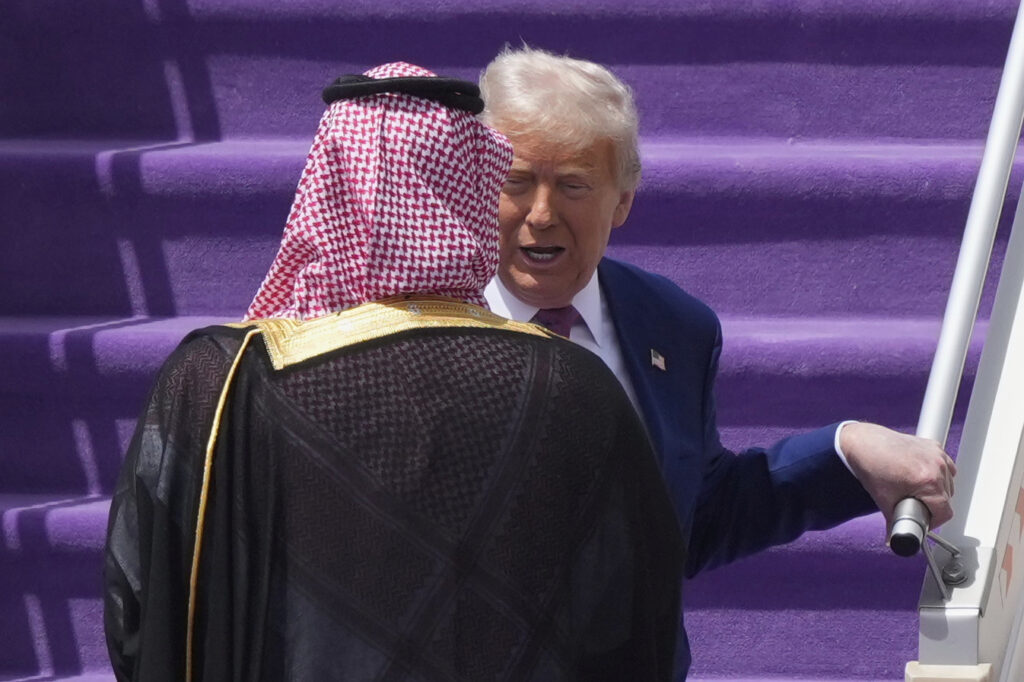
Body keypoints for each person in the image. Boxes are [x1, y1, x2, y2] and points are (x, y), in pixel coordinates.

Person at [103, 62, 685, 681]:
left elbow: (135, 606)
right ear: (473, 192)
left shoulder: (218, 381)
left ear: (326, 189)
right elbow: (638, 623)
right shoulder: (577, 385)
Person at [478, 46, 958, 679]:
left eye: (572, 185)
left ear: (622, 201)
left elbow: (693, 521)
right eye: (515, 181)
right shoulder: (407, 324)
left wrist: (846, 451)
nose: (540, 214)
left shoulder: (673, 326)